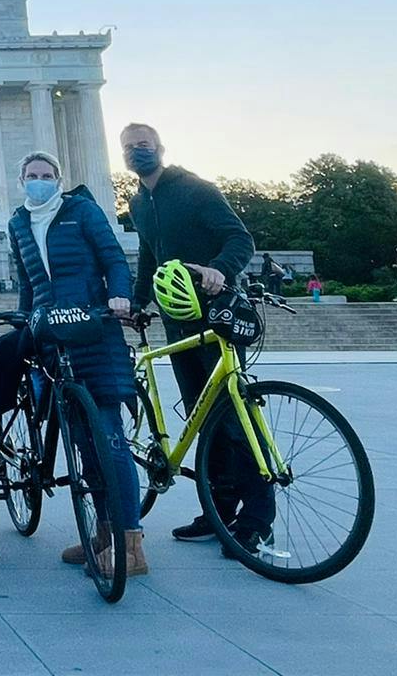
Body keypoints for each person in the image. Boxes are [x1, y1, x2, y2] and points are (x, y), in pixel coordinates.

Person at [0, 151, 146, 576]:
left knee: (110, 436)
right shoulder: (19, 223)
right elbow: (29, 281)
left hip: (94, 327)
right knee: (81, 439)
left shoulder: (82, 211)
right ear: (21, 181)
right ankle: (103, 532)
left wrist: (119, 296)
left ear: (58, 179)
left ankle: (131, 546)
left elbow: (114, 257)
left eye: (46, 175)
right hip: (52, 334)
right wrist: (22, 318)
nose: (39, 181)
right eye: (32, 176)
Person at [122, 123, 265, 555]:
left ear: (160, 149)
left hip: (216, 312)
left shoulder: (196, 190)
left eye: (143, 146)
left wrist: (220, 268)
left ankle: (257, 519)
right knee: (203, 417)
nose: (136, 153)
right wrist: (138, 301)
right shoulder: (139, 202)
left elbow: (240, 237)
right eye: (129, 148)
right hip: (176, 318)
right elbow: (150, 254)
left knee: (236, 417)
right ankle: (218, 513)